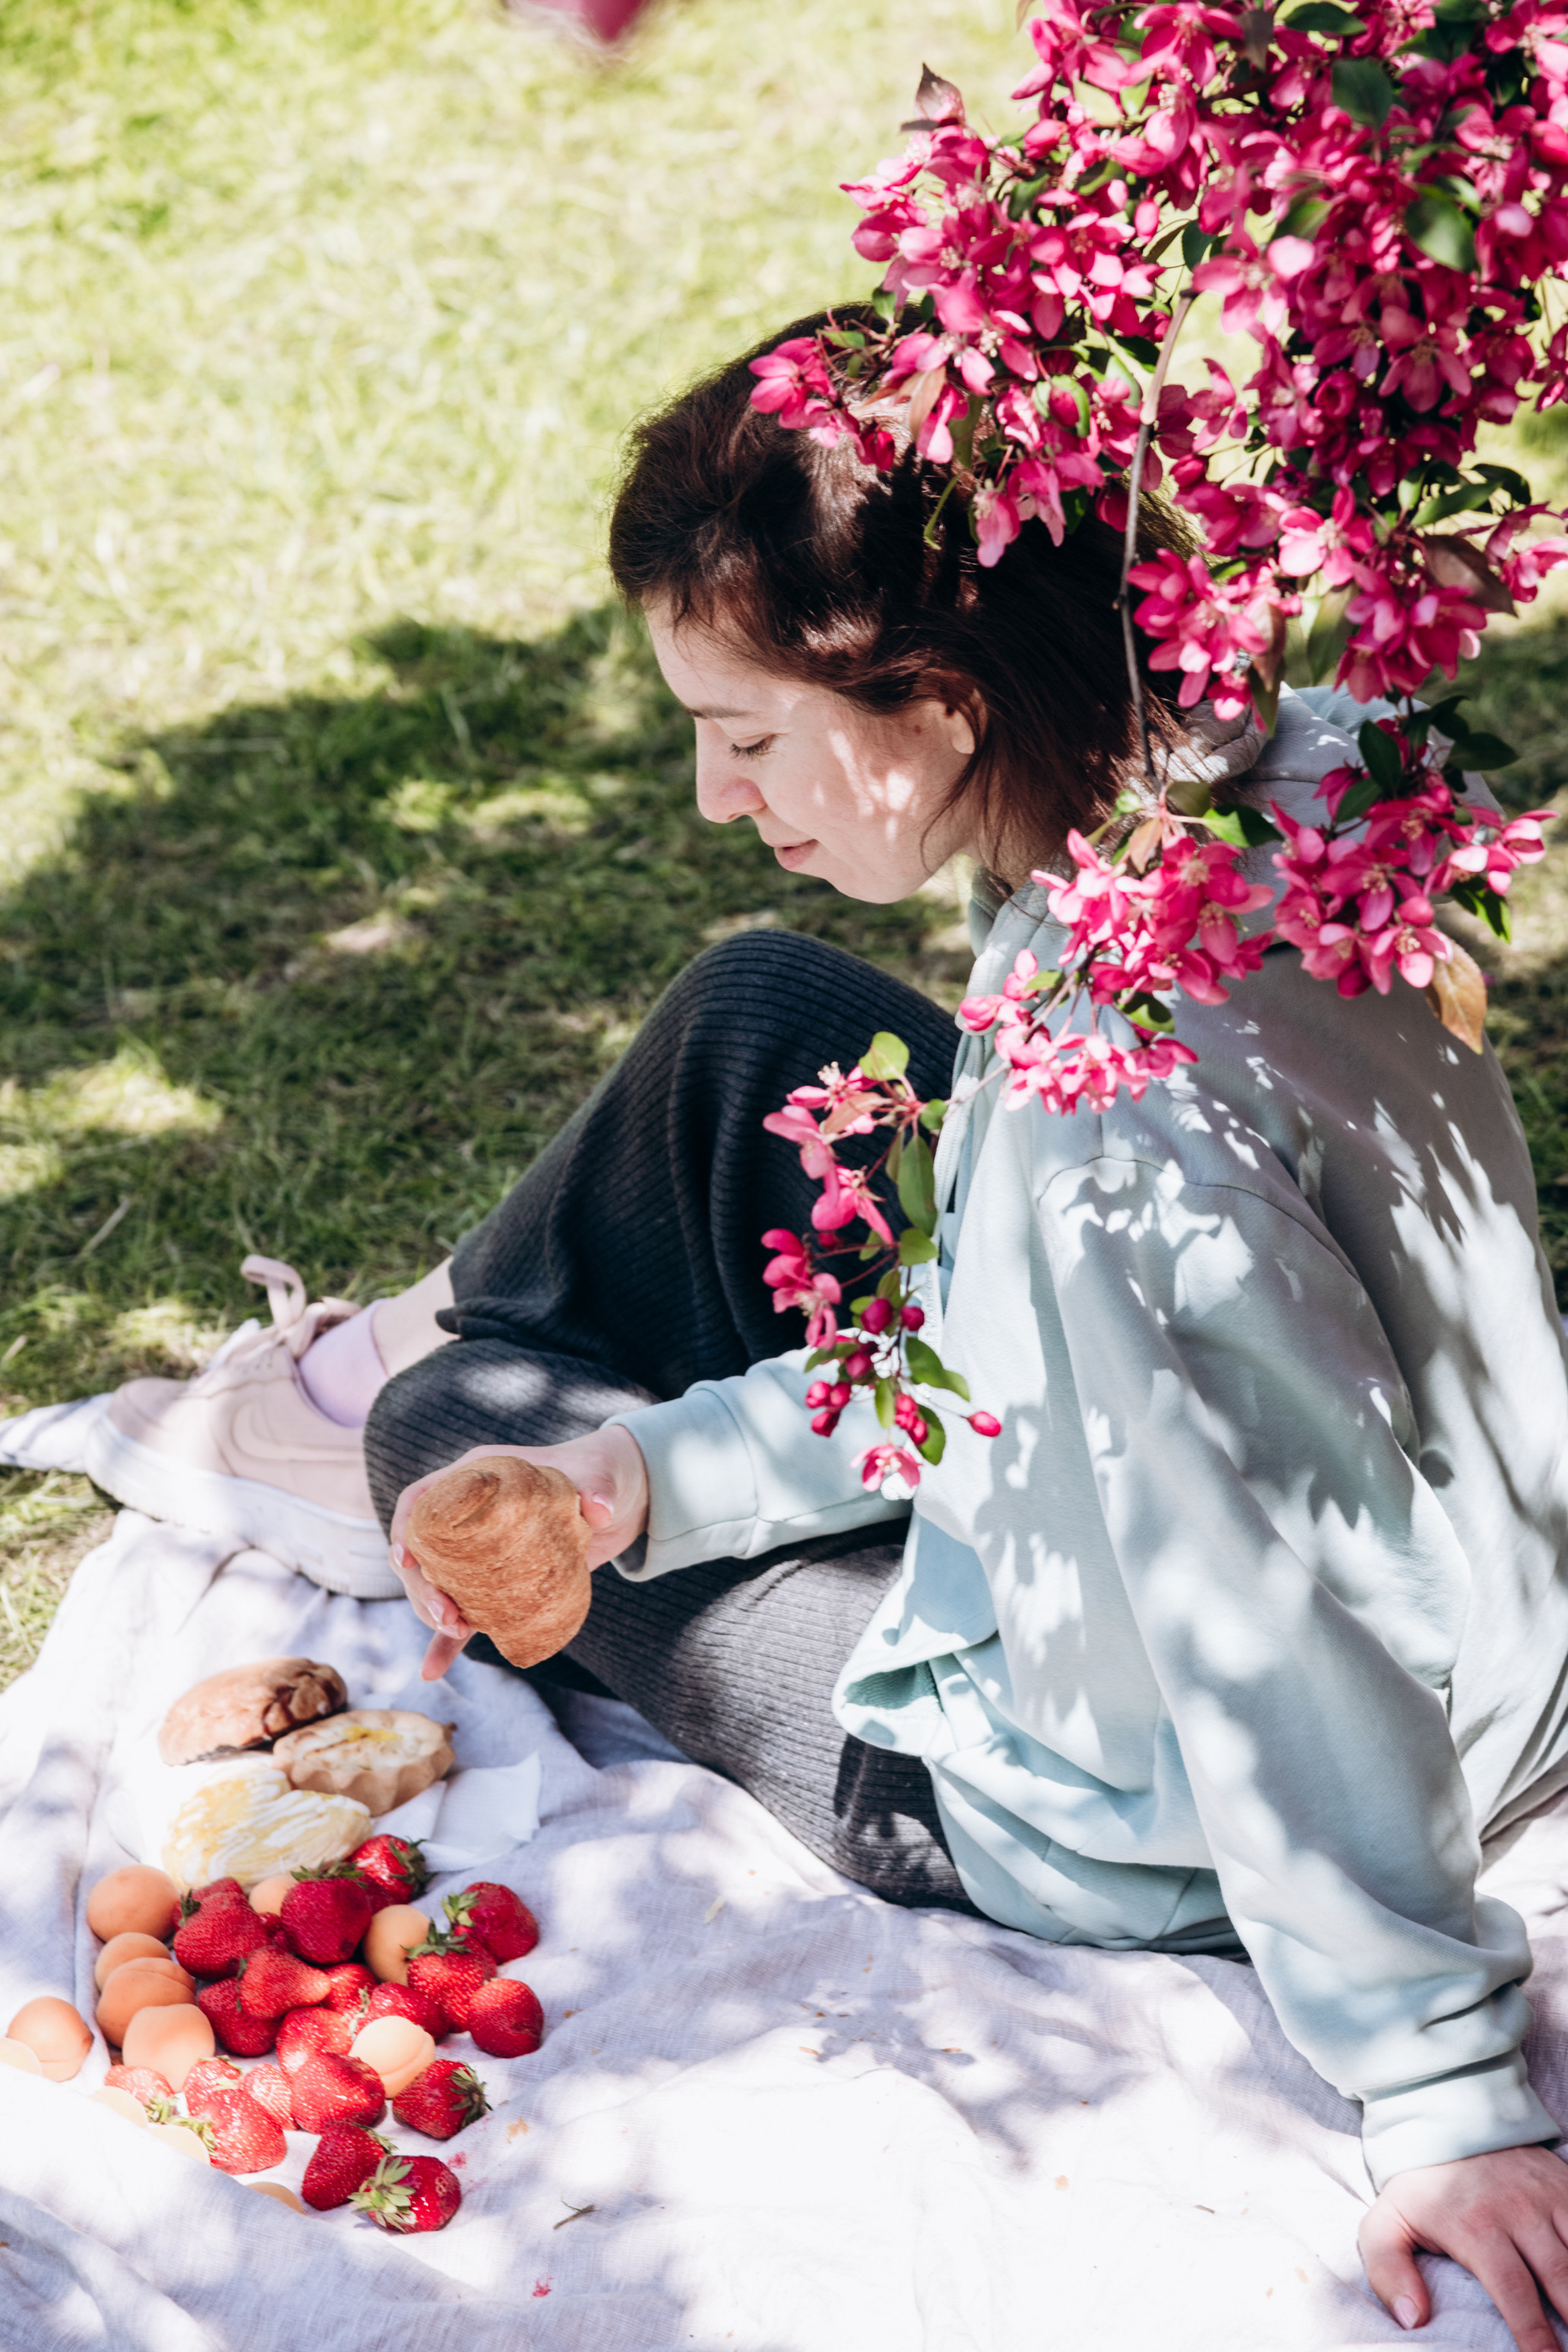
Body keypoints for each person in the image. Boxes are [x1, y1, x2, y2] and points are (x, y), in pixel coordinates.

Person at [20, 312, 1568, 2347]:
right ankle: (568, 1363)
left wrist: (1447, 2082)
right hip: (1480, 1594)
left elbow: (1264, 1608)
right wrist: (646, 1472)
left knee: (435, 1431)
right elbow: (1042, 1335)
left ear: (927, 698)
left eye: (747, 737)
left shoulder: (1119, 1161)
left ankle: (456, 1361)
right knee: (758, 1014)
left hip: (1111, 1800)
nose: (708, 788)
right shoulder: (1311, 772)